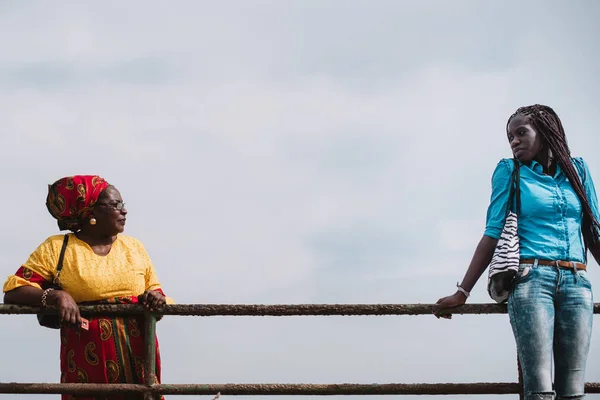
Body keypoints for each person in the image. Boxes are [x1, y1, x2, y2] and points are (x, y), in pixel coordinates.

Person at [433, 104, 600, 400]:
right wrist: (463, 291)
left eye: (521, 133)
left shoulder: (579, 172)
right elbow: (493, 232)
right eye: (510, 136)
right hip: (531, 282)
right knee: (539, 389)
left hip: (578, 284)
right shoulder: (510, 171)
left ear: (546, 132)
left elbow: (594, 232)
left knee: (574, 392)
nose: (514, 141)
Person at [3, 175, 173, 400]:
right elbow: (14, 291)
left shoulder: (134, 247)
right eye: (115, 205)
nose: (124, 211)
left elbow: (156, 289)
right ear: (91, 212)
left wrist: (156, 298)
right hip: (86, 363)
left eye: (123, 204)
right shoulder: (58, 247)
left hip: (138, 358)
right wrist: (56, 296)